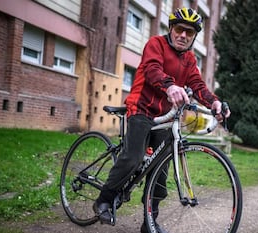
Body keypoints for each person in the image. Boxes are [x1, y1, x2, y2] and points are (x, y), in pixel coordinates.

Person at [93, 7, 231, 233]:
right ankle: (103, 200)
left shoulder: (189, 59)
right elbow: (152, 69)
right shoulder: (156, 44)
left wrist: (214, 103)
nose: (183, 35)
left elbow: (198, 85)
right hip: (141, 109)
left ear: (194, 36)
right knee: (134, 158)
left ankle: (150, 222)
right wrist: (170, 86)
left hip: (165, 117)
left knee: (160, 170)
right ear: (171, 29)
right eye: (179, 29)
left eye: (189, 32)